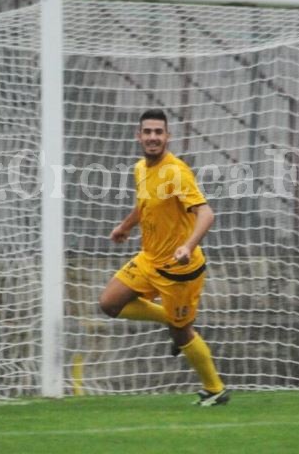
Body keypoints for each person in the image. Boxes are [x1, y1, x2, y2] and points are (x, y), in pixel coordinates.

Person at [98, 109, 229, 407]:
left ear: (168, 137)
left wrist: (187, 246)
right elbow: (145, 205)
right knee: (109, 303)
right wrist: (125, 226)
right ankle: (170, 319)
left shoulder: (176, 172)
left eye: (159, 132)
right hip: (149, 259)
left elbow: (207, 214)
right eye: (148, 132)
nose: (153, 137)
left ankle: (215, 389)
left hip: (180, 271)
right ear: (139, 136)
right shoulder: (140, 169)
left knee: (182, 333)